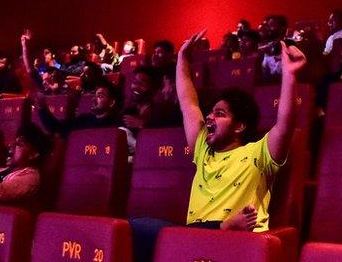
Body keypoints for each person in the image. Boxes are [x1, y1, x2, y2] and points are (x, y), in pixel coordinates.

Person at [130, 29, 306, 261]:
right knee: (136, 229)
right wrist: (182, 59)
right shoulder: (203, 149)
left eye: (219, 114)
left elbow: (285, 123)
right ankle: (222, 227)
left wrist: (290, 76)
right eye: (211, 112)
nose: (209, 118)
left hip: (238, 246)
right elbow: (188, 103)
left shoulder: (258, 153)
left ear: (239, 126)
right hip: (196, 242)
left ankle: (223, 229)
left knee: (146, 229)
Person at [35, 81, 121, 139]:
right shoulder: (84, 119)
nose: (94, 99)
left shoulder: (115, 126)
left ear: (111, 102)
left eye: (100, 96)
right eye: (94, 95)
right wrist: (42, 107)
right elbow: (56, 127)